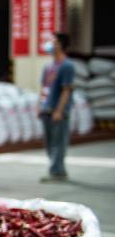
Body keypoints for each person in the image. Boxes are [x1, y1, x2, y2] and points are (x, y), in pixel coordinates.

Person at [38, 32, 75, 183]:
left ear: (61, 45)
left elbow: (66, 90)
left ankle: (56, 172)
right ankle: (59, 170)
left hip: (58, 111)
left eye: (53, 42)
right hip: (46, 108)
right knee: (49, 143)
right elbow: (44, 87)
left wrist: (59, 110)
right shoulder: (48, 66)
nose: (50, 44)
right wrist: (40, 105)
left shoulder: (67, 66)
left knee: (58, 142)